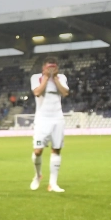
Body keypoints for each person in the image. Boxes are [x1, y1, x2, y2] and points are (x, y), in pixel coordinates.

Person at [30, 57, 68, 192]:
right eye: (48, 67)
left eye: (54, 67)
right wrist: (46, 78)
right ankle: (38, 175)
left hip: (57, 118)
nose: (51, 69)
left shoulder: (61, 78)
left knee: (56, 149)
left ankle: (53, 183)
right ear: (43, 68)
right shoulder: (36, 77)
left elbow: (65, 93)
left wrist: (56, 78)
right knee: (37, 151)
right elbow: (37, 92)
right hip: (42, 119)